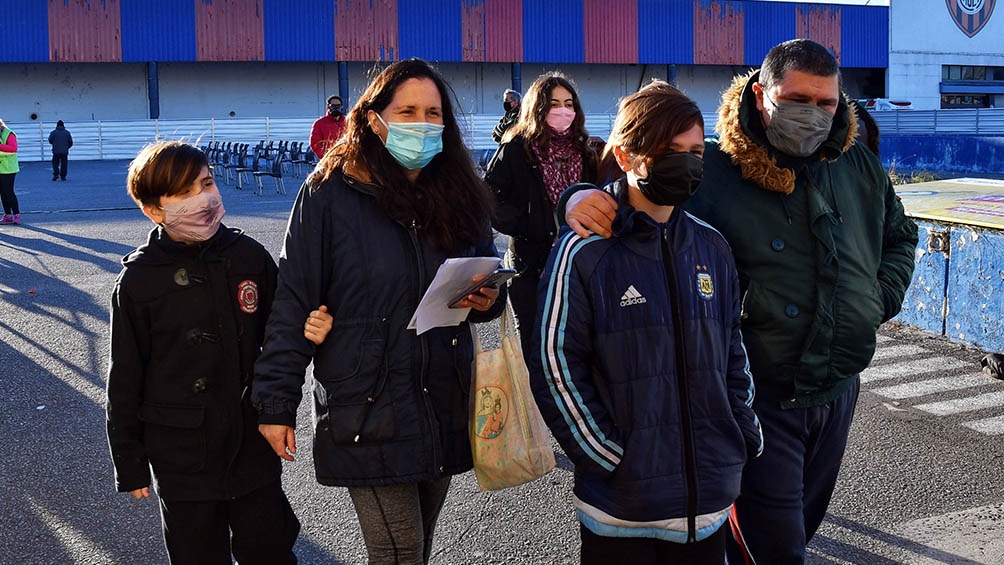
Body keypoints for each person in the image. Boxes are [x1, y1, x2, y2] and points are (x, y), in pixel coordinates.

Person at [561, 39, 918, 564]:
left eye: (826, 103)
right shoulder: (714, 170)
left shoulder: (857, 166)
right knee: (774, 549)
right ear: (760, 94)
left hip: (837, 391)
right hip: (760, 396)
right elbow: (638, 205)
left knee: (800, 528)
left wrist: (874, 299)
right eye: (798, 99)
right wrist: (575, 199)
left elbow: (900, 235)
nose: (814, 115)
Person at [252, 58, 506, 564]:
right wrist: (275, 404)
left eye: (433, 112)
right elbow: (295, 298)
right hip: (366, 399)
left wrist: (487, 298)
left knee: (418, 547)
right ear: (373, 118)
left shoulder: (459, 190)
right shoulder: (329, 193)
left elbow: (483, 280)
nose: (424, 123)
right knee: (400, 553)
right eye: (407, 110)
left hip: (441, 393)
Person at [529, 81, 763, 565]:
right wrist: (608, 456)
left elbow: (732, 349)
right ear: (625, 154)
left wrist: (738, 430)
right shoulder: (584, 249)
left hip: (710, 504)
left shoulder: (711, 247)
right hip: (621, 510)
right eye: (668, 150)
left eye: (696, 151)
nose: (687, 162)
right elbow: (554, 363)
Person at [105, 141, 312, 564]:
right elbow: (124, 376)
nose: (203, 198)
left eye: (206, 183)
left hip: (248, 438)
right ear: (154, 211)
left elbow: (282, 331)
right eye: (183, 193)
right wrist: (129, 460)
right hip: (179, 450)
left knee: (270, 546)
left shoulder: (247, 255)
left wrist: (313, 328)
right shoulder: (139, 281)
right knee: (197, 552)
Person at [485, 72, 596, 355]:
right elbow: (489, 195)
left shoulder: (586, 151)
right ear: (538, 108)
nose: (563, 111)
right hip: (530, 264)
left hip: (577, 262)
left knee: (577, 341)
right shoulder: (516, 148)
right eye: (554, 103)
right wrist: (526, 224)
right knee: (536, 343)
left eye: (568, 103)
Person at [309, 94, 347, 159]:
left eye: (338, 106)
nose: (336, 108)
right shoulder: (319, 124)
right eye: (333, 106)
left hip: (347, 160)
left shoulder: (348, 121)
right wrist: (326, 157)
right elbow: (315, 144)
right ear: (328, 107)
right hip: (328, 161)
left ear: (342, 107)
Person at [0, 118, 21, 225]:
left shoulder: (9, 133)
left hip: (9, 168)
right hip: (1, 167)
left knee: (9, 192)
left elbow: (13, 148)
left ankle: (16, 214)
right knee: (2, 193)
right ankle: (7, 215)